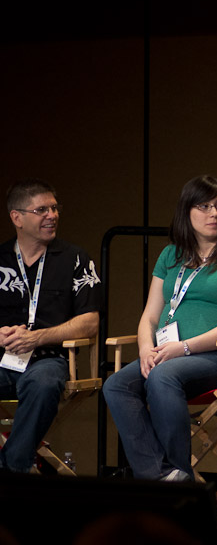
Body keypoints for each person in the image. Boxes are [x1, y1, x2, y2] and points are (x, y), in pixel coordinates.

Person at [103, 175, 217, 481]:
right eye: (204, 206)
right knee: (116, 385)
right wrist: (144, 349)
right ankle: (162, 476)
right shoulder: (171, 255)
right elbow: (150, 316)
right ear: (186, 212)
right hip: (169, 354)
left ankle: (181, 478)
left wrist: (184, 347)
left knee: (163, 376)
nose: (214, 213)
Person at [0, 179, 101, 472]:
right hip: (4, 358)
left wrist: (37, 338)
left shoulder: (75, 259)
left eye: (54, 208)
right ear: (16, 217)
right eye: (41, 209)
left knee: (43, 385)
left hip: (48, 359)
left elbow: (90, 322)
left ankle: (12, 470)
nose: (52, 215)